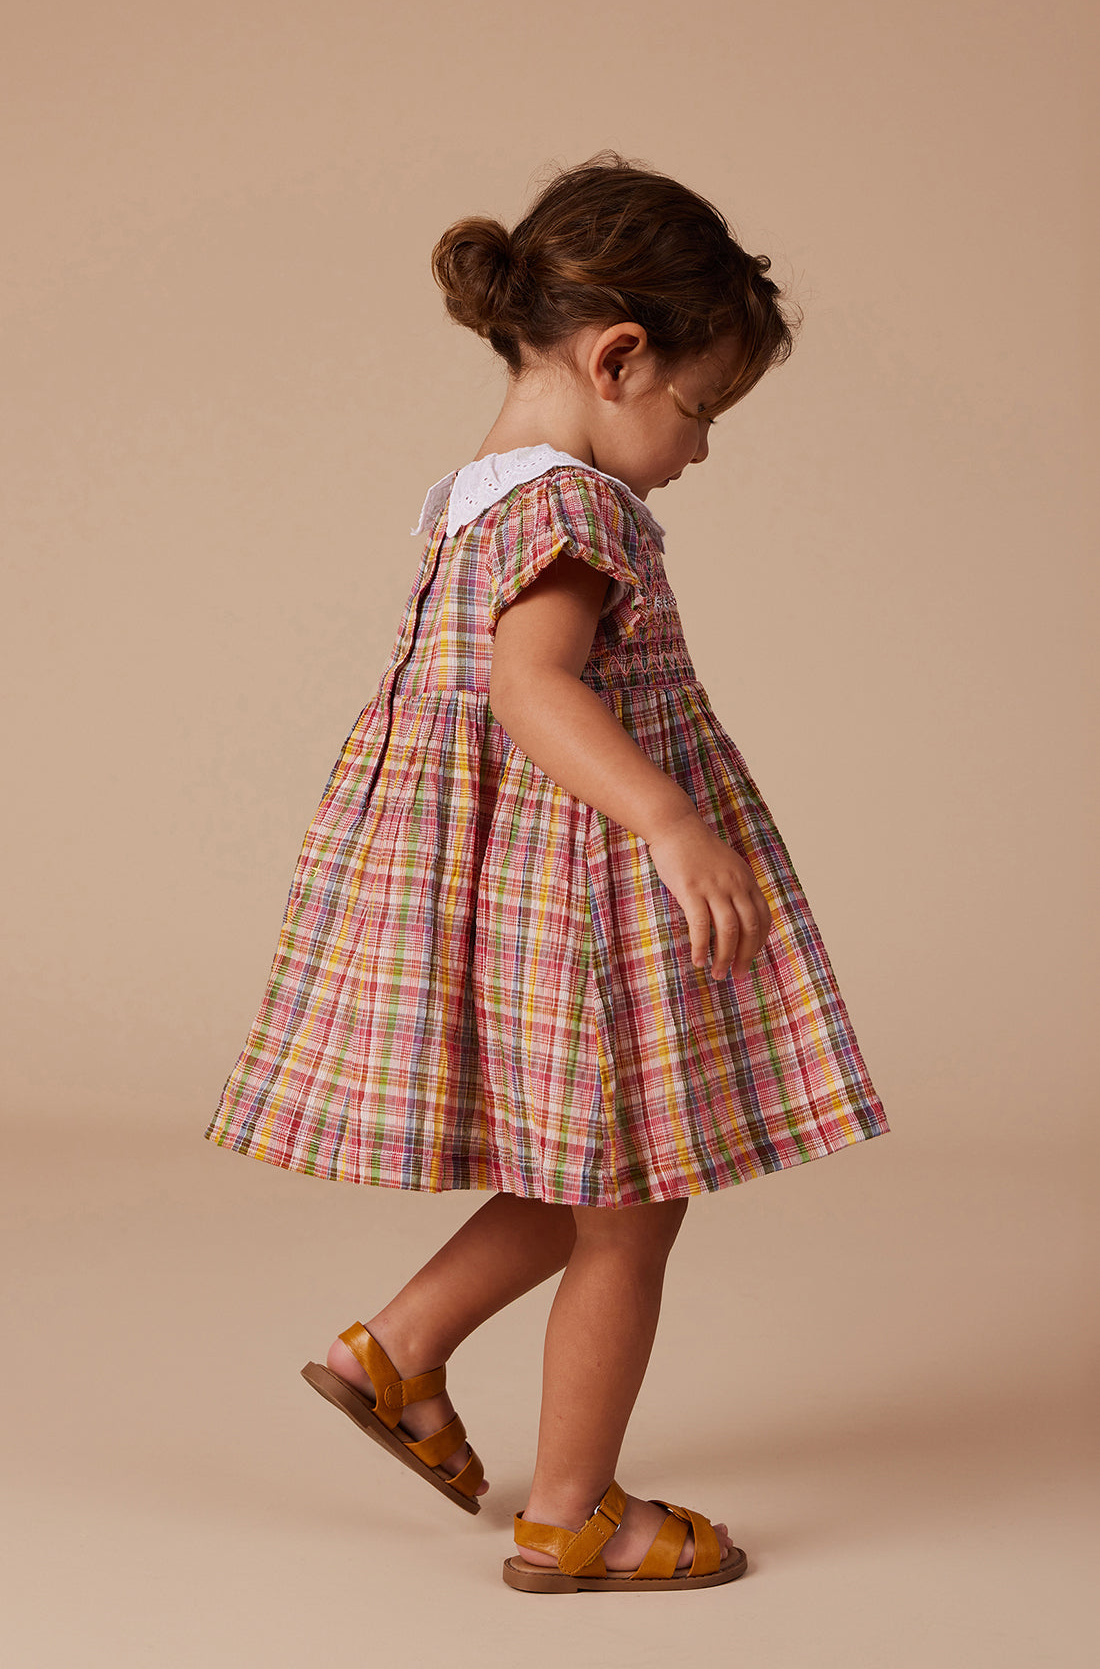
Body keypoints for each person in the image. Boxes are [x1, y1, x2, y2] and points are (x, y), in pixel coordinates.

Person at [204, 151, 890, 1595]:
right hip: (580, 910)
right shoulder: (573, 510)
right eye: (702, 412)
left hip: (512, 902)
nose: (701, 450)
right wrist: (670, 818)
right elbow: (533, 690)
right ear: (620, 356)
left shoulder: (474, 495)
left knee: (584, 1176)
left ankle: (393, 1354)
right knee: (632, 1206)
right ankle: (574, 1513)